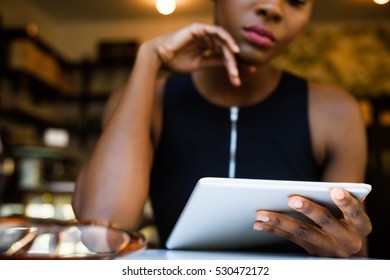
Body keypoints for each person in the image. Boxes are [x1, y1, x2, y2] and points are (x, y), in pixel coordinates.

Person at [72, 0, 372, 258]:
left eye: (296, 0)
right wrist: (149, 59)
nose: (273, 8)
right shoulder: (145, 102)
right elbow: (102, 235)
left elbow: (352, 250)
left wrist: (345, 252)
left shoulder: (335, 112)